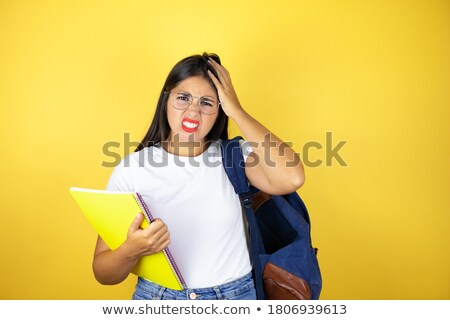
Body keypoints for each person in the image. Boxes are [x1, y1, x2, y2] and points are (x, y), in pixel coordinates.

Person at [92, 52, 305, 300]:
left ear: (220, 109)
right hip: (157, 299)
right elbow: (103, 274)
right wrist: (131, 250)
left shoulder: (235, 157)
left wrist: (237, 110)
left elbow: (292, 178)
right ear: (166, 100)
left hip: (236, 297)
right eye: (183, 98)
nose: (193, 112)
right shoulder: (133, 169)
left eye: (207, 102)